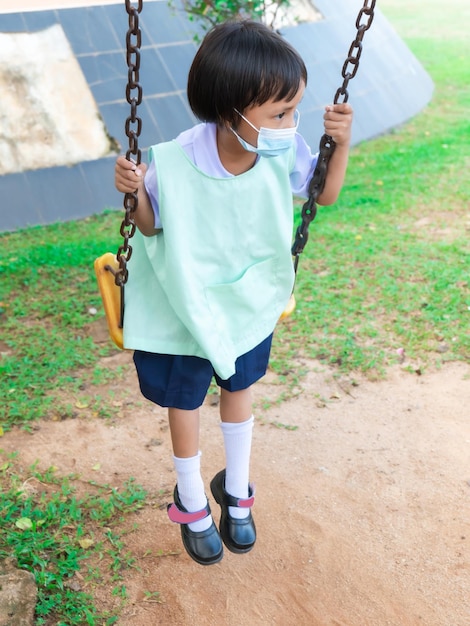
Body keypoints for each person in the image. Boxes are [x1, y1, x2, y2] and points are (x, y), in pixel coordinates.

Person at [114, 19, 353, 566]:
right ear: (232, 112)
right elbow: (150, 227)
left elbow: (327, 192)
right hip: (184, 301)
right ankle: (192, 498)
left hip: (242, 297)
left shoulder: (280, 150)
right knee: (185, 397)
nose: (290, 125)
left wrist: (339, 143)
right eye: (280, 114)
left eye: (293, 111)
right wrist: (133, 194)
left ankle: (237, 491)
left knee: (239, 383)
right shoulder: (174, 160)